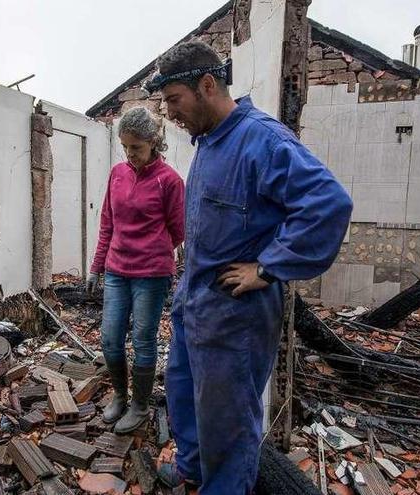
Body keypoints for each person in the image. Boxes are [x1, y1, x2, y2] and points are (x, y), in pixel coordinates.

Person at [144, 41, 353, 493]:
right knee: (184, 395)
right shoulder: (209, 141)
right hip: (195, 305)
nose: (170, 114)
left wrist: (269, 267)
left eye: (174, 100)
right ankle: (193, 469)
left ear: (206, 85)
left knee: (229, 422)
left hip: (235, 315)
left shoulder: (263, 140)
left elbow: (329, 204)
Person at [86, 106, 186, 434]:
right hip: (116, 269)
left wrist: (152, 247)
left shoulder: (169, 181)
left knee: (143, 339)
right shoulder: (117, 173)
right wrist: (97, 267)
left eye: (137, 148)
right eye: (126, 147)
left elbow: (179, 230)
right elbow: (107, 222)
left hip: (152, 274)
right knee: (110, 338)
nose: (130, 155)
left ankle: (140, 406)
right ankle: (119, 395)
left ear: (154, 143)